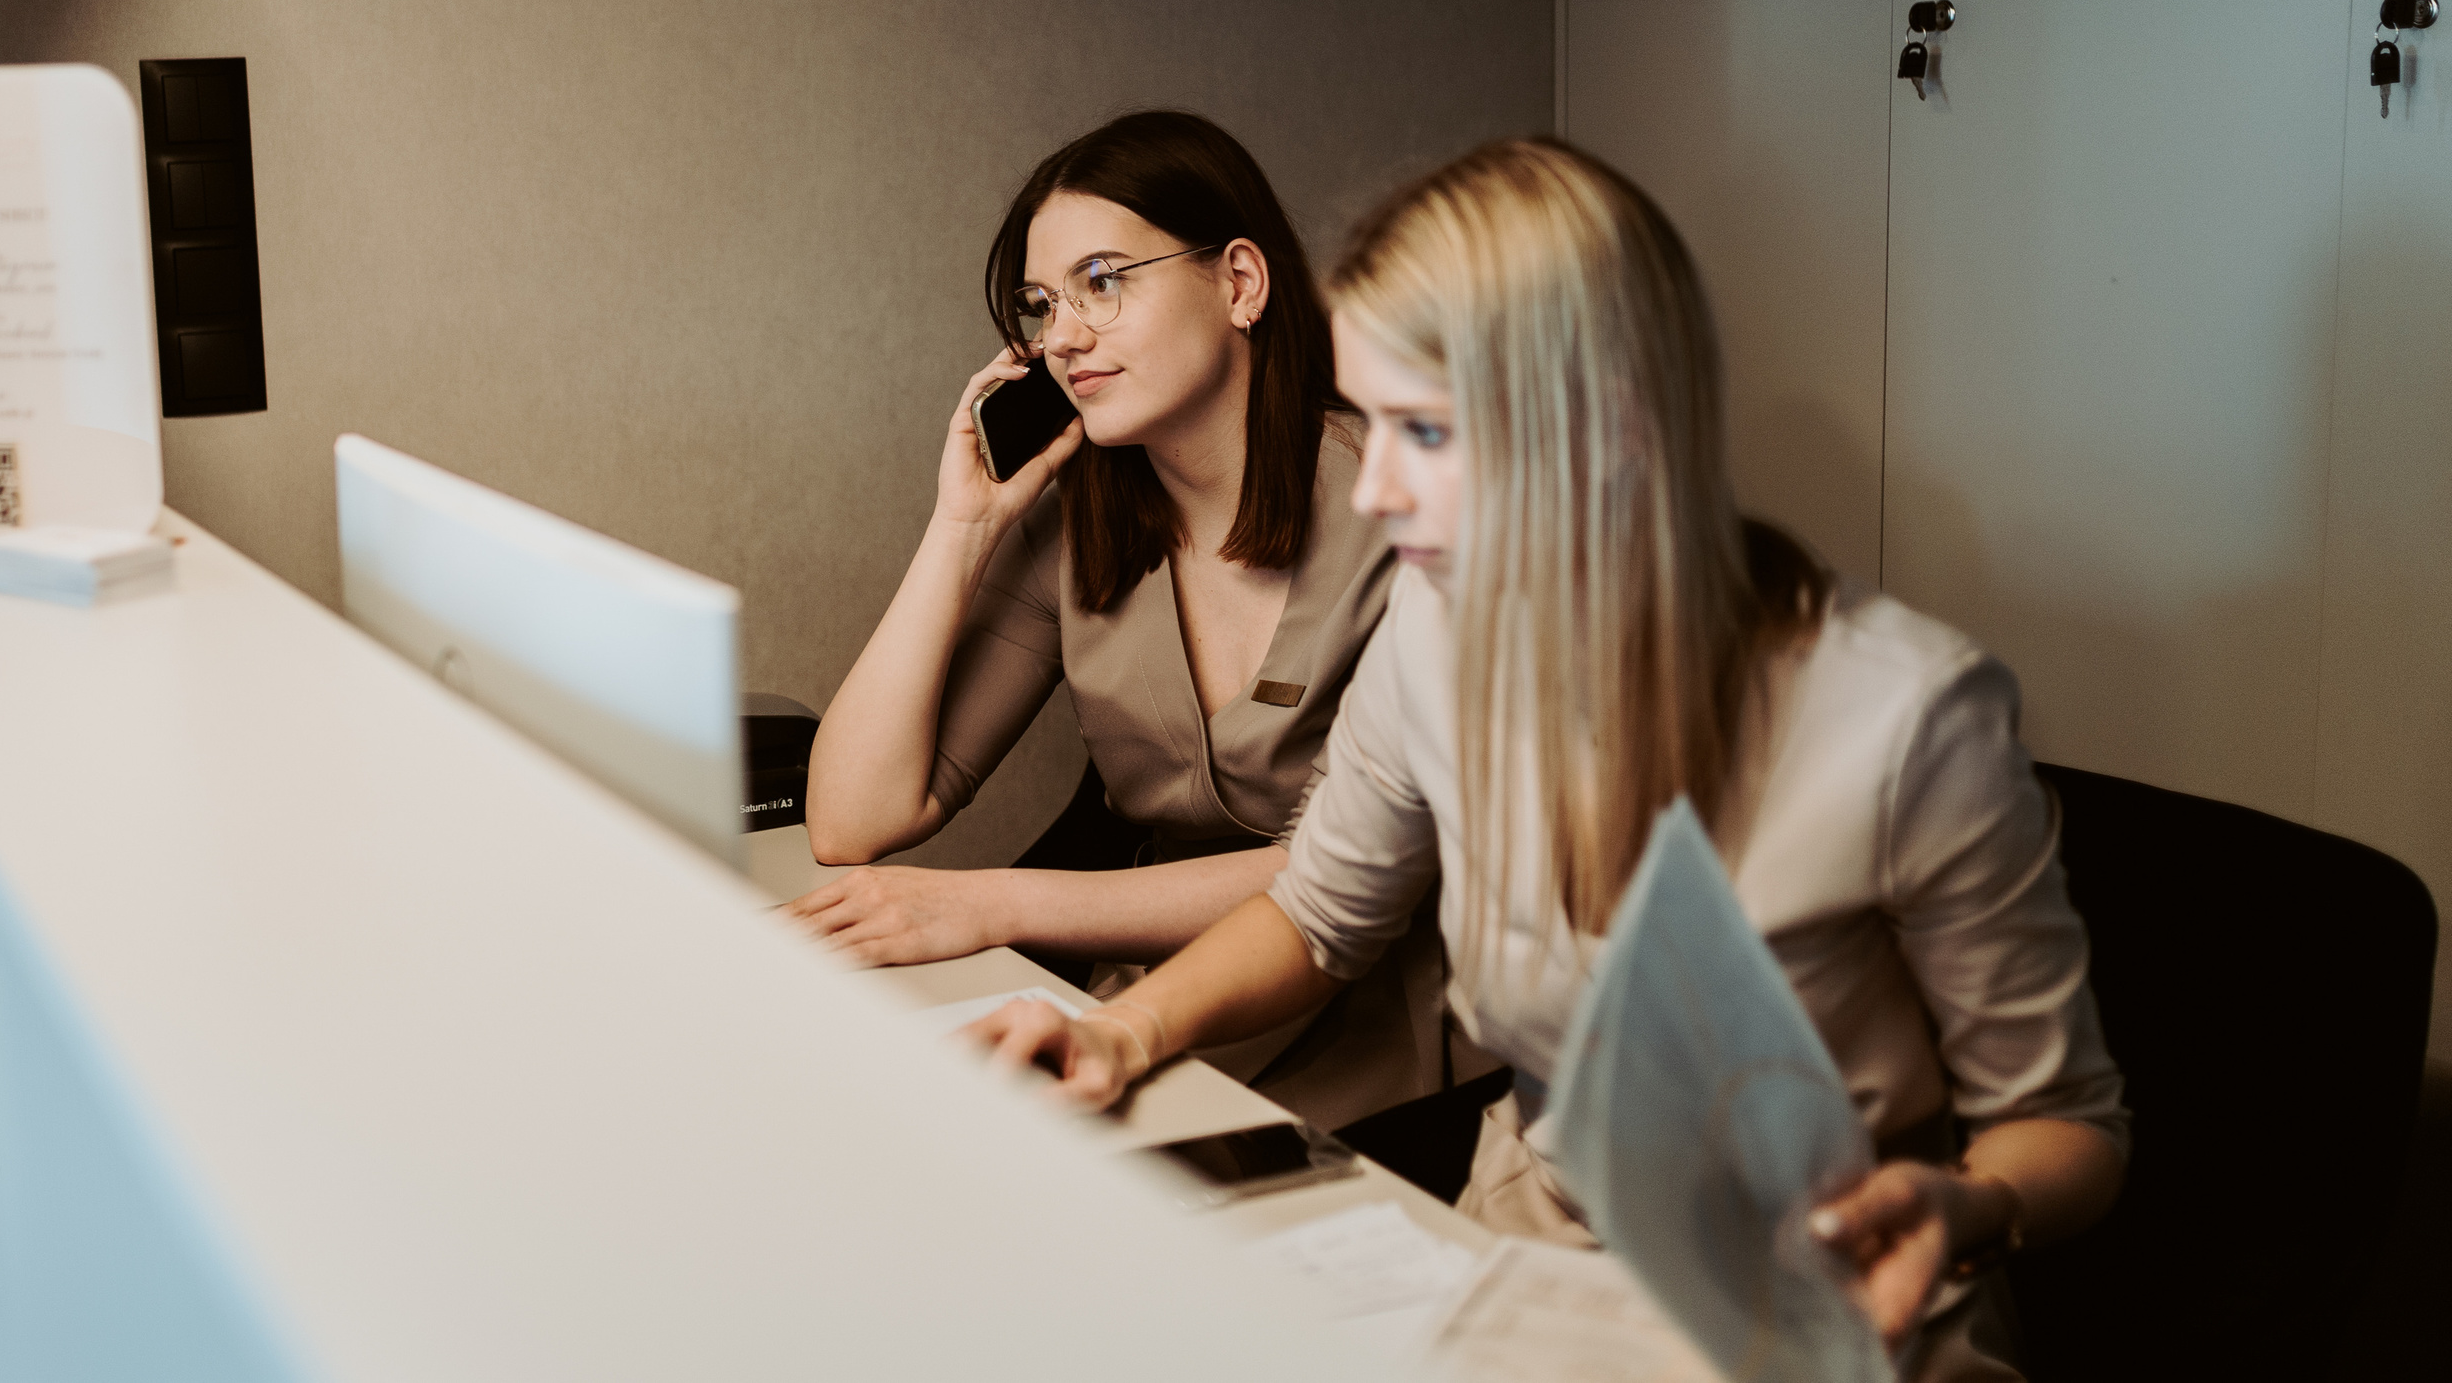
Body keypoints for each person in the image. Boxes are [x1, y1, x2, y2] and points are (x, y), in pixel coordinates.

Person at [969, 139, 2128, 1379]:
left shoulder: (1904, 714)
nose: (1375, 492)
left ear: (1609, 425)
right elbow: (1316, 915)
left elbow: (2066, 1130)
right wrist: (1124, 1034)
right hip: (1534, 1263)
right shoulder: (1436, 624)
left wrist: (1969, 1207)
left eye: (1427, 431)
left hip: (1832, 1316)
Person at [790, 110, 1446, 1130]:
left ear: (1239, 283)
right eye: (1042, 304)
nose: (1062, 338)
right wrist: (961, 528)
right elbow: (853, 818)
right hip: (1138, 1011)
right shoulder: (1079, 523)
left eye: (1103, 281)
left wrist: (991, 903)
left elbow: (1342, 866)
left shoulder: (1399, 508)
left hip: (1375, 1037)